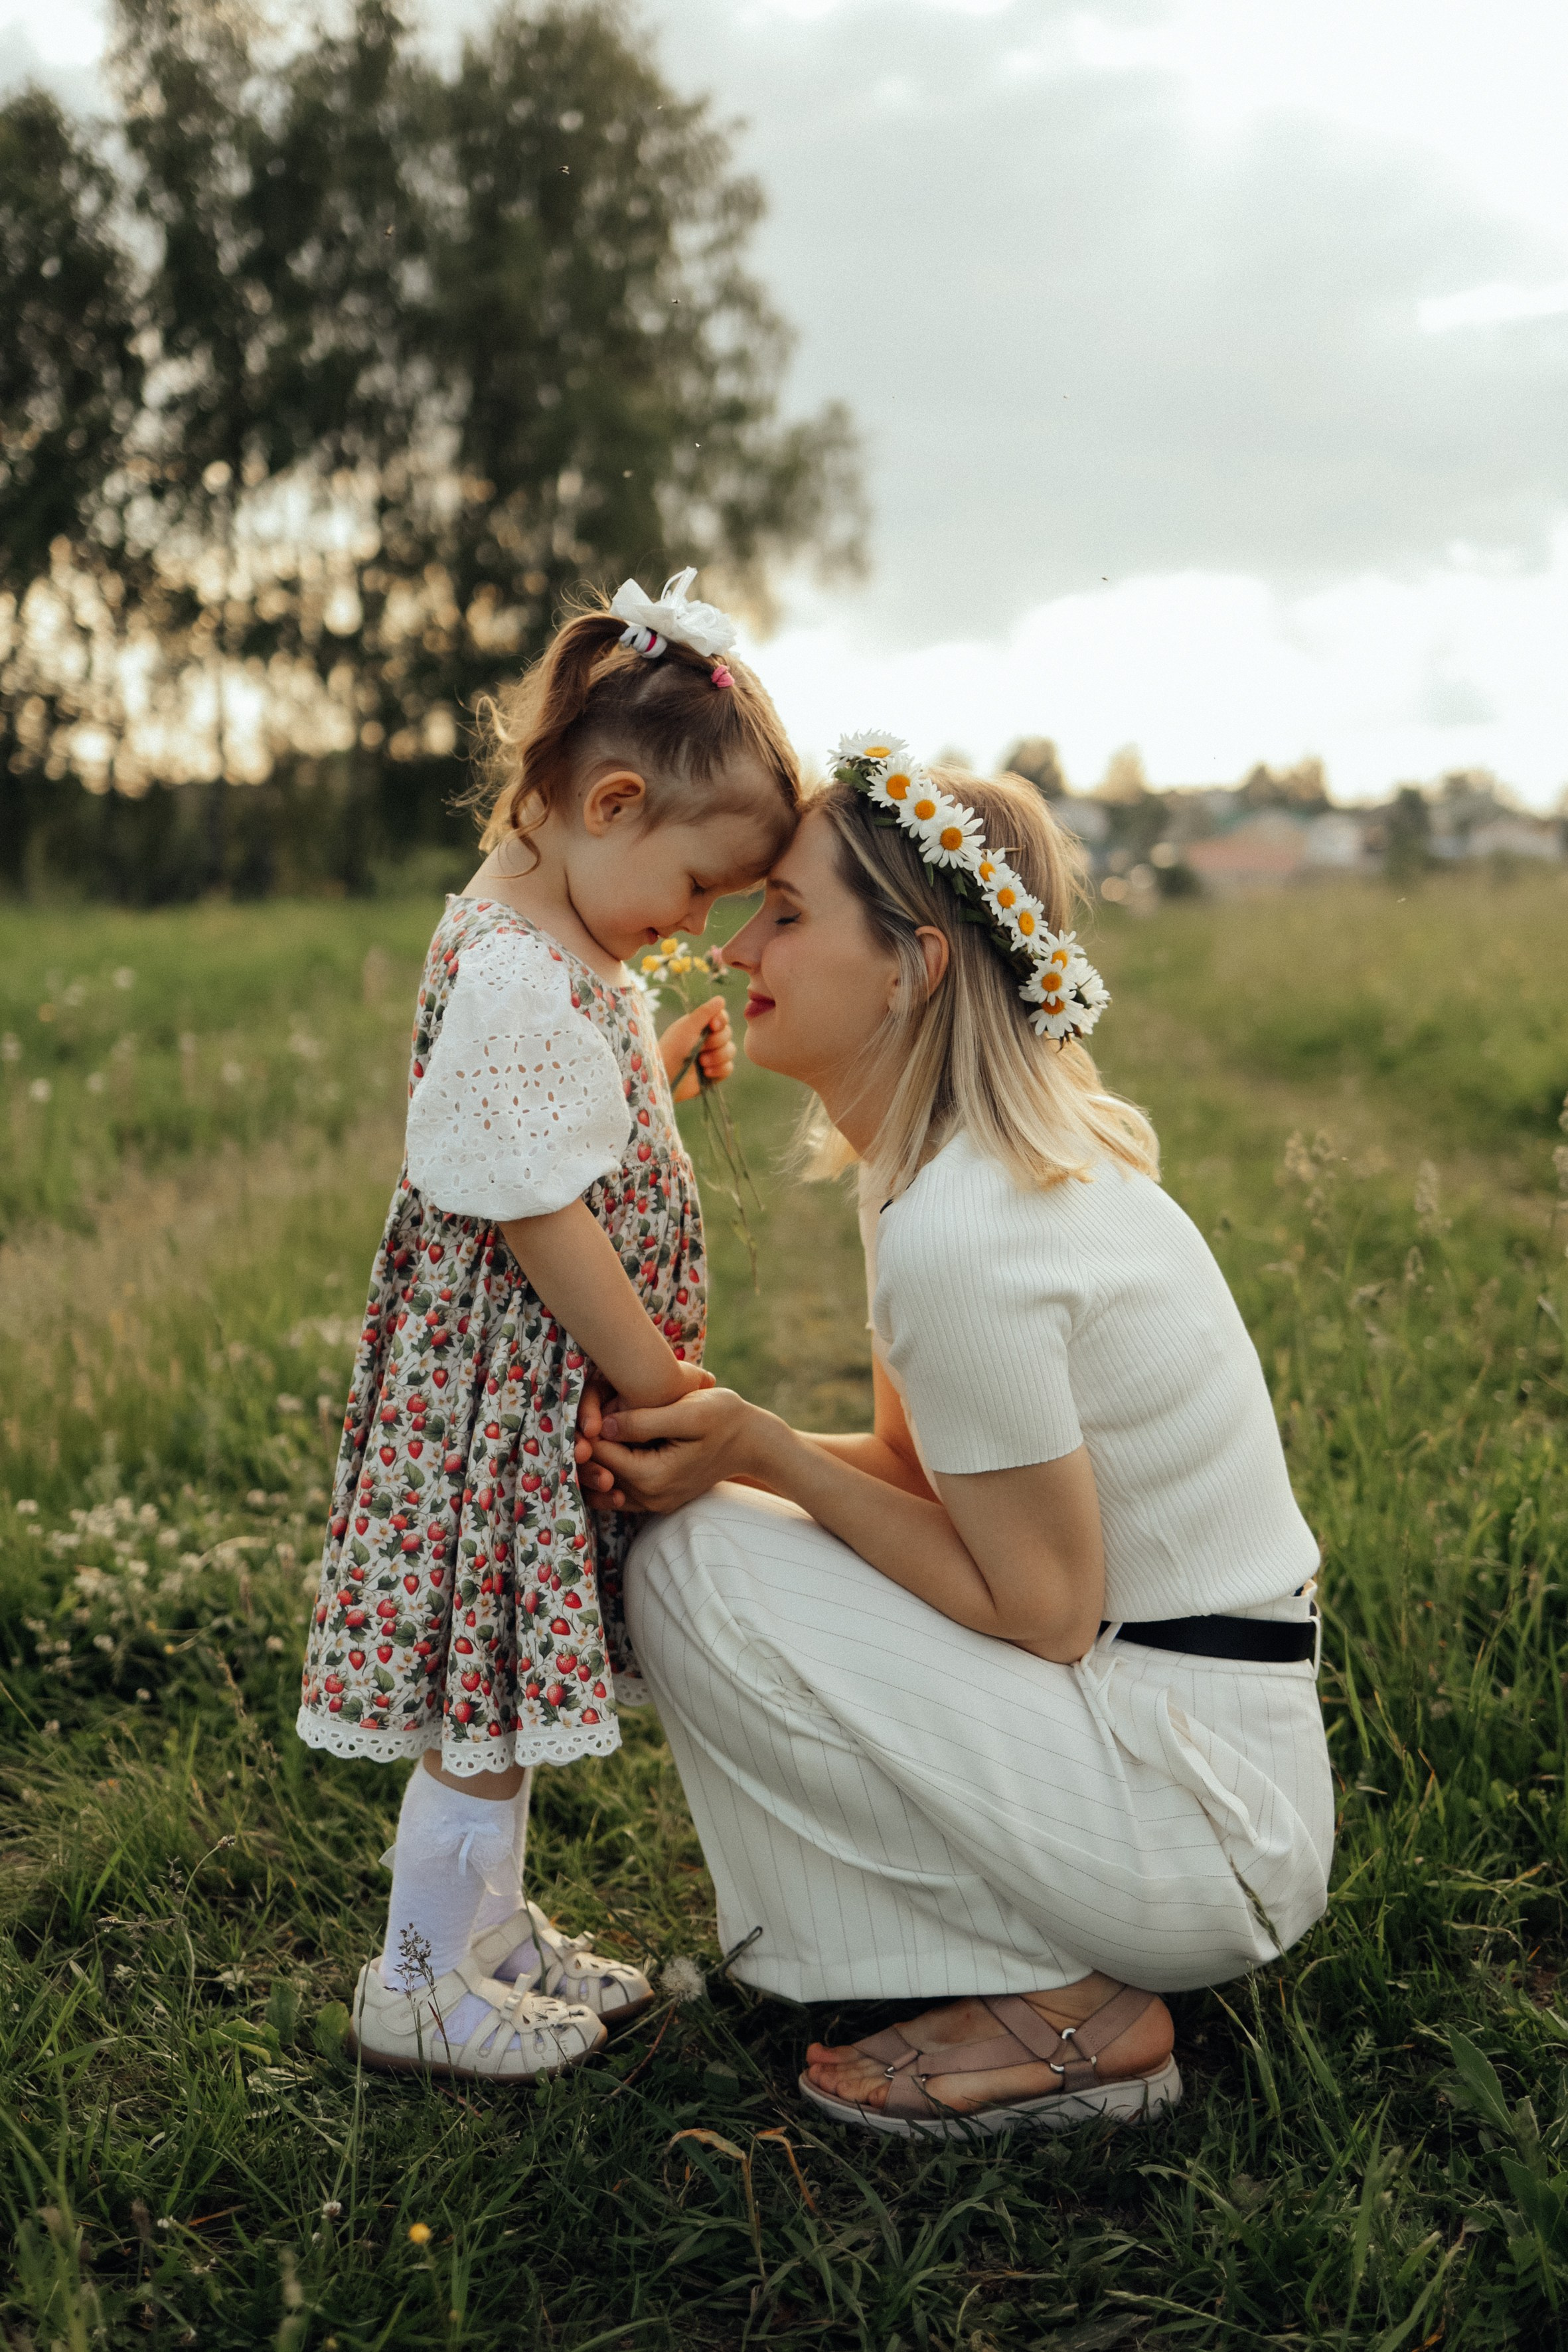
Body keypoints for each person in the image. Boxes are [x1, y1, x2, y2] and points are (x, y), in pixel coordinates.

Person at [579, 736, 1334, 2136]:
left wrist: (759, 1449)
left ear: (913, 966)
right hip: (1181, 1745)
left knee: (698, 1565)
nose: (737, 944)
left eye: (788, 915)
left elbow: (1038, 1608)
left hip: (1199, 1813)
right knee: (699, 1537)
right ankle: (1007, 1961)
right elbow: (931, 1490)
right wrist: (733, 1449)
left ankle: (1066, 2005)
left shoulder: (965, 1229)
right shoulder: (932, 1176)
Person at [296, 572, 800, 2080]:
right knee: (486, 1679)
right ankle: (416, 1978)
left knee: (505, 1667)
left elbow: (542, 1121)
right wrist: (652, 1373)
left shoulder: (555, 935)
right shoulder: (522, 968)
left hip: (519, 1383)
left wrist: (654, 1063)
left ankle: (489, 1934)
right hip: (505, 1388)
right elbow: (531, 1209)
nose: (698, 924)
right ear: (614, 801)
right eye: (700, 887)